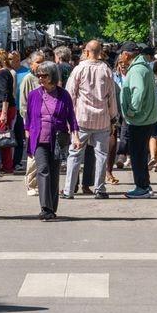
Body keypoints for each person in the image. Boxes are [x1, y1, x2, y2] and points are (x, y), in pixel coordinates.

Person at [63, 40, 118, 199]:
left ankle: (69, 190)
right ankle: (100, 189)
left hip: (81, 119)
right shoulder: (106, 70)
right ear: (100, 52)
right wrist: (113, 117)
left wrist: (68, 118)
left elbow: (70, 95)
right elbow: (111, 96)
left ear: (86, 52)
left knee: (74, 155)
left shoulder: (79, 70)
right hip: (102, 119)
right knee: (101, 155)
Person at [26, 62, 78, 220]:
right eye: (39, 75)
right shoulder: (34, 95)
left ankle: (52, 208)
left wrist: (75, 135)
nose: (41, 78)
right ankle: (45, 207)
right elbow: (28, 117)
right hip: (39, 139)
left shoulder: (64, 95)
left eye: (44, 75)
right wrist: (27, 133)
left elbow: (71, 117)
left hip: (57, 139)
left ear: (53, 76)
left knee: (54, 173)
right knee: (43, 170)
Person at [119, 42, 157, 198]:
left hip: (139, 120)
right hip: (146, 118)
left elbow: (138, 91)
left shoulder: (137, 69)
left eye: (121, 53)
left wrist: (132, 111)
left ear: (127, 54)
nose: (120, 57)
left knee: (137, 154)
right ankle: (144, 185)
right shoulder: (143, 67)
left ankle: (141, 187)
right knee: (141, 153)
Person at [18, 50, 44, 195]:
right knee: (33, 154)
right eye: (38, 62)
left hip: (46, 122)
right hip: (33, 122)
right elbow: (23, 104)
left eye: (42, 61)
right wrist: (27, 124)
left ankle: (42, 184)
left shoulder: (46, 78)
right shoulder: (28, 79)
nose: (40, 65)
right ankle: (31, 184)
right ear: (31, 64)